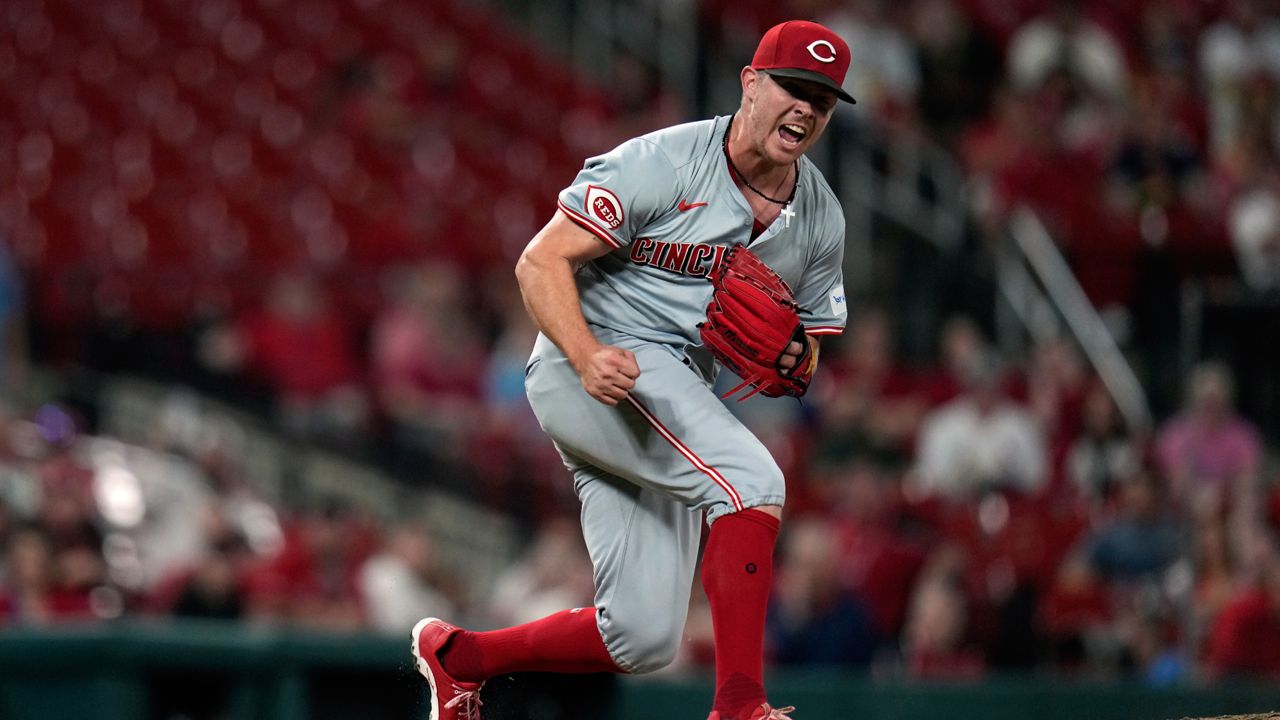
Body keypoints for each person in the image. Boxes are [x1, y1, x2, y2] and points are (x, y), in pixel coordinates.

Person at [411, 20, 854, 720]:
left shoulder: (819, 217)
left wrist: (795, 357)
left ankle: (462, 658)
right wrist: (585, 354)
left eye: (822, 100)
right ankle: (740, 705)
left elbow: (813, 342)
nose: (805, 108)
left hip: (671, 388)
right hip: (592, 362)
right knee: (752, 482)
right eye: (792, 88)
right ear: (749, 83)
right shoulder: (664, 161)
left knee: (643, 636)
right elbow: (539, 261)